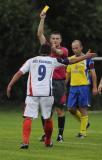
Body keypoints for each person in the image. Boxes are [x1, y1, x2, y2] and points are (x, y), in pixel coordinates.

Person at [6, 44, 96, 149]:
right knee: (48, 118)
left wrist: (10, 85)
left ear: (39, 51)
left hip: (32, 94)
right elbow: (70, 61)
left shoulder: (31, 60)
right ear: (50, 52)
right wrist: (86, 56)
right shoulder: (53, 60)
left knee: (28, 117)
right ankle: (48, 141)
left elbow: (19, 73)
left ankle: (25, 142)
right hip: (47, 94)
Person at [37, 11, 68, 142]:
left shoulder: (64, 50)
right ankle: (46, 134)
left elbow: (59, 52)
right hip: (46, 83)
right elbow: (39, 34)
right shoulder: (46, 47)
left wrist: (54, 48)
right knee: (45, 110)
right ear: (50, 39)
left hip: (59, 84)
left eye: (57, 38)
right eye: (53, 38)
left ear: (60, 40)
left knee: (59, 110)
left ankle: (60, 135)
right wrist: (42, 19)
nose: (55, 40)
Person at [66, 40, 98, 138]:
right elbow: (67, 74)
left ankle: (82, 132)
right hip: (72, 87)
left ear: (81, 47)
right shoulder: (70, 59)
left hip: (84, 87)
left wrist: (95, 87)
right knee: (70, 109)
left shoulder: (88, 59)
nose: (75, 50)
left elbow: (93, 73)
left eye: (77, 48)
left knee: (82, 108)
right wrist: (63, 86)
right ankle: (85, 122)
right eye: (73, 48)